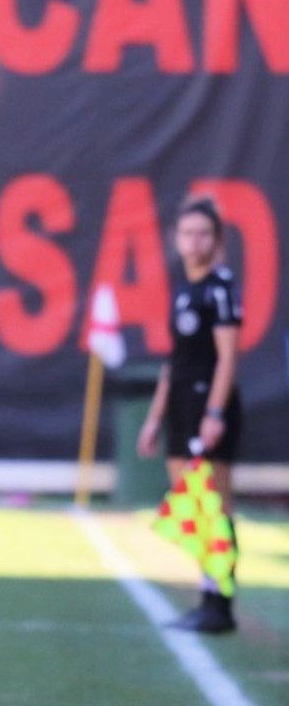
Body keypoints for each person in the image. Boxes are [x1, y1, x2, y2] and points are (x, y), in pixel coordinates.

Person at [137, 196, 243, 633]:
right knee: (193, 505)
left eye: (203, 233)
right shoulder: (184, 289)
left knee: (215, 506)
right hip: (180, 405)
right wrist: (154, 418)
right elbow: (175, 361)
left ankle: (219, 604)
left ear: (216, 240)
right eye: (186, 233)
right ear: (176, 239)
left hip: (207, 406)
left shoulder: (219, 287)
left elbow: (228, 357)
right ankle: (207, 595)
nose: (194, 242)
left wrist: (215, 412)